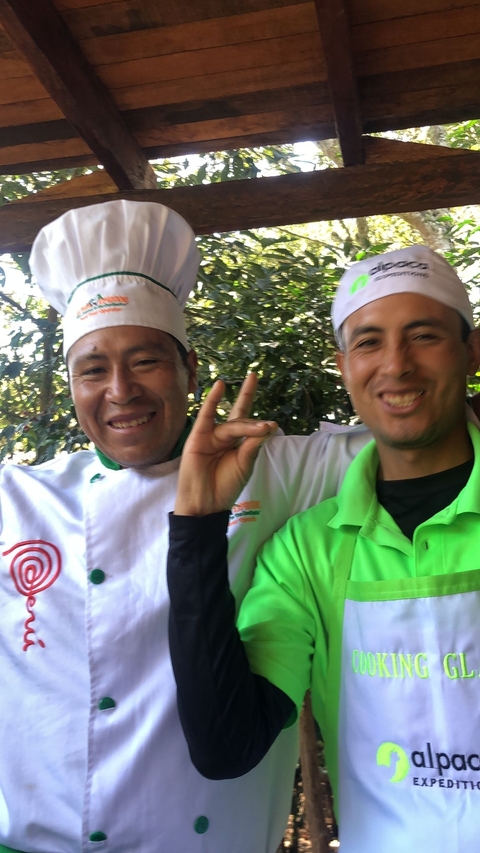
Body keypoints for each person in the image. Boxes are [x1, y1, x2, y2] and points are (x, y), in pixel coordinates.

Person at [0, 198, 374, 853]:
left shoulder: (276, 468)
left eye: (144, 359)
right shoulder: (16, 498)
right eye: (93, 368)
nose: (120, 389)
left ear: (190, 369)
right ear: (71, 384)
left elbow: (424, 442)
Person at [168, 245, 480, 853]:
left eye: (423, 335)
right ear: (343, 365)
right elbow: (226, 747)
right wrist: (198, 529)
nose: (396, 365)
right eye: (368, 342)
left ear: (472, 350)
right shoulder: (305, 553)